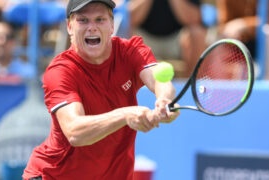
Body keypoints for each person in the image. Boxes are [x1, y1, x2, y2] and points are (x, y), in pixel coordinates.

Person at [23, 0, 180, 179]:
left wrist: (165, 101)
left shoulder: (130, 51)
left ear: (112, 25)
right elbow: (75, 131)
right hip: (53, 175)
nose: (92, 27)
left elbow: (159, 80)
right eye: (83, 20)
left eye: (100, 20)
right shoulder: (60, 71)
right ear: (69, 27)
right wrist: (125, 115)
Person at [127, 0, 207, 78]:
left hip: (177, 40)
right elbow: (129, 19)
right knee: (126, 33)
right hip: (145, 39)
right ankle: (131, 85)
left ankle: (190, 86)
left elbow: (194, 19)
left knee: (197, 34)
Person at [216, 0, 269, 80]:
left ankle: (268, 82)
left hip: (267, 42)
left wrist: (244, 24)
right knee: (222, 38)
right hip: (241, 42)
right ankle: (223, 84)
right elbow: (224, 25)